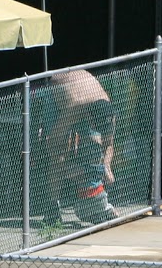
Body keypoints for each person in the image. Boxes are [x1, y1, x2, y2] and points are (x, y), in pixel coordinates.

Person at [45, 68, 117, 224]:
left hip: (83, 88)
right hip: (59, 89)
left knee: (95, 145)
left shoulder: (108, 111)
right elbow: (52, 143)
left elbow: (108, 143)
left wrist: (106, 165)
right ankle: (52, 206)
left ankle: (99, 203)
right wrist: (68, 170)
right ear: (90, 118)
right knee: (59, 154)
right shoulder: (74, 106)